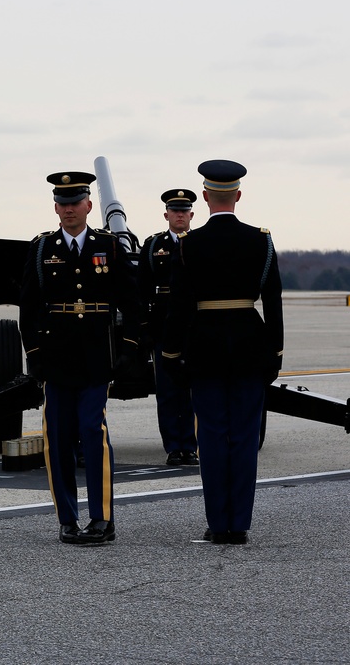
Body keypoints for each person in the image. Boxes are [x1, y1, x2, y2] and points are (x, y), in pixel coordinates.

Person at [161, 160, 283, 545]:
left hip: (206, 348)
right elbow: (273, 302)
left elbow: (178, 306)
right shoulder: (260, 239)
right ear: (238, 196)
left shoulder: (188, 244)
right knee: (245, 438)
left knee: (212, 439)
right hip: (249, 346)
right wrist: (275, 352)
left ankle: (219, 525)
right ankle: (240, 526)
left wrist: (170, 354)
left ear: (206, 196)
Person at [18, 171, 141, 545]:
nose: (70, 209)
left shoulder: (109, 246)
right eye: (63, 203)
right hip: (56, 359)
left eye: (76, 202)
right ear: (56, 208)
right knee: (56, 438)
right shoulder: (42, 248)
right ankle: (67, 518)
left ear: (89, 205)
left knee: (93, 433)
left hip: (95, 357)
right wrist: (34, 356)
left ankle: (103, 518)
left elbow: (133, 302)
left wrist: (129, 349)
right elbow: (29, 307)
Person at [138, 189, 199, 467]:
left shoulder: (200, 243)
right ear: (166, 215)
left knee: (192, 391)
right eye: (175, 211)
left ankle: (191, 446)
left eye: (184, 211)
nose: (179, 215)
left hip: (194, 326)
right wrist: (145, 329)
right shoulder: (153, 246)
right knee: (167, 391)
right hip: (163, 327)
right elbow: (142, 290)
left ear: (191, 215)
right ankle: (173, 447)